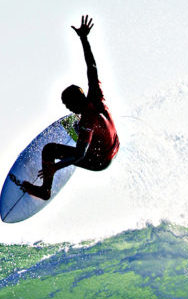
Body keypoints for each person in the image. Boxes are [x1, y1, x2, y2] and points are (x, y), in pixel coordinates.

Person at [11, 15, 120, 200]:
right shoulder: (95, 95)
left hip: (100, 161)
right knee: (72, 124)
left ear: (76, 101)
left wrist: (55, 167)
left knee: (50, 150)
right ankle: (87, 141)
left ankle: (45, 190)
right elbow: (91, 67)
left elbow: (79, 155)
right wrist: (84, 38)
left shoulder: (87, 119)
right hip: (114, 146)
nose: (69, 109)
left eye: (69, 105)